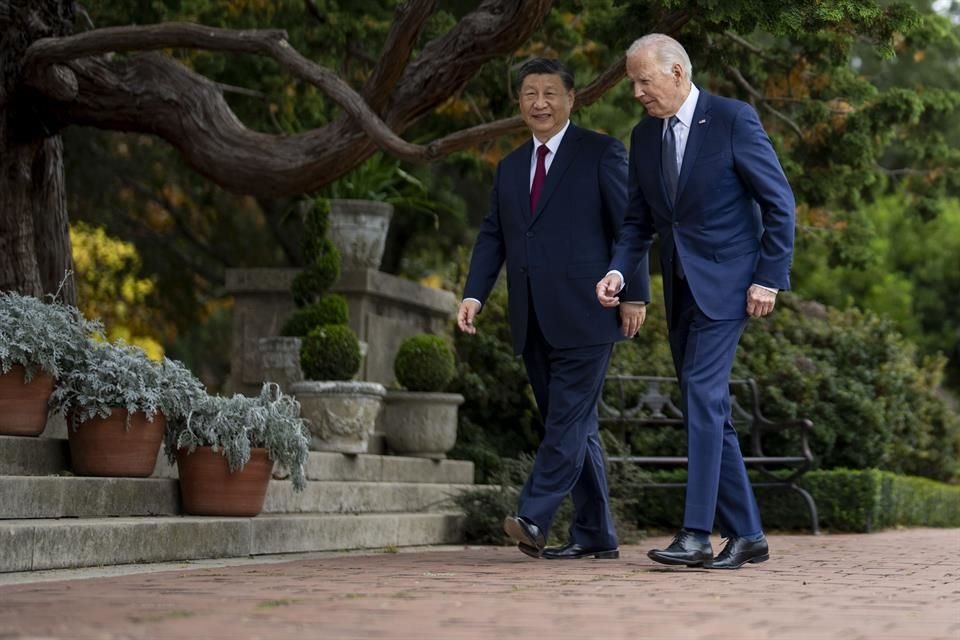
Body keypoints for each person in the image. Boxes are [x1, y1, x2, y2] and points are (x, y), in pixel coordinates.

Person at [596, 34, 796, 570]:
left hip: (731, 286)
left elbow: (779, 203)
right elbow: (638, 221)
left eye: (644, 80)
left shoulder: (732, 119)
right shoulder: (643, 138)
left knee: (704, 397)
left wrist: (768, 278)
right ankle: (749, 534)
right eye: (632, 82)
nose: (636, 91)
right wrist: (618, 270)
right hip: (679, 288)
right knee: (706, 406)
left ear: (678, 73)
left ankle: (695, 534)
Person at [457, 57, 649, 560]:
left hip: (589, 312)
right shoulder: (511, 167)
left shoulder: (601, 152)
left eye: (549, 93)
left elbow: (630, 227)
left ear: (571, 98)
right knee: (573, 427)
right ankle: (596, 533)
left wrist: (634, 294)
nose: (539, 103)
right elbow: (493, 235)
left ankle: (534, 517)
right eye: (529, 94)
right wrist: (475, 294)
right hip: (532, 319)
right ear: (520, 102)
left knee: (565, 422)